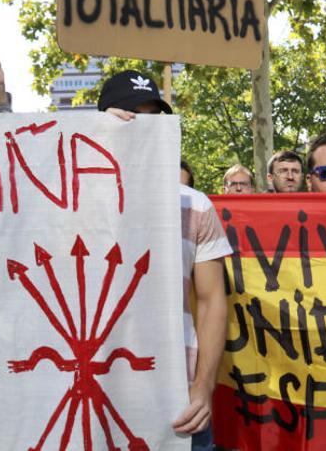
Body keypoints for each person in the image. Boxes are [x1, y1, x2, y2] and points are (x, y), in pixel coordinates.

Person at [98, 70, 230, 450]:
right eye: (128, 115)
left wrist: (203, 387)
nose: (142, 127)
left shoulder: (194, 204)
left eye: (153, 118)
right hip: (90, 396)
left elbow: (211, 302)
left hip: (178, 404)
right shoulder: (69, 196)